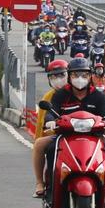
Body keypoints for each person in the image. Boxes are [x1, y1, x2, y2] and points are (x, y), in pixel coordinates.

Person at [42, 57, 105, 205]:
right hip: (65, 135)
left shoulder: (98, 95)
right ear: (69, 77)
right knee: (51, 150)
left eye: (84, 75)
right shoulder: (61, 94)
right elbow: (51, 111)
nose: (80, 79)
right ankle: (50, 187)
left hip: (93, 136)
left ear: (90, 76)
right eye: (75, 75)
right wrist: (50, 121)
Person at [30, 59, 69, 197]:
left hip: (83, 133)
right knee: (39, 144)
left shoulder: (80, 92)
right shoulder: (49, 98)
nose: (58, 80)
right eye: (53, 77)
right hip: (58, 135)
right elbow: (42, 123)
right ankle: (39, 182)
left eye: (61, 75)